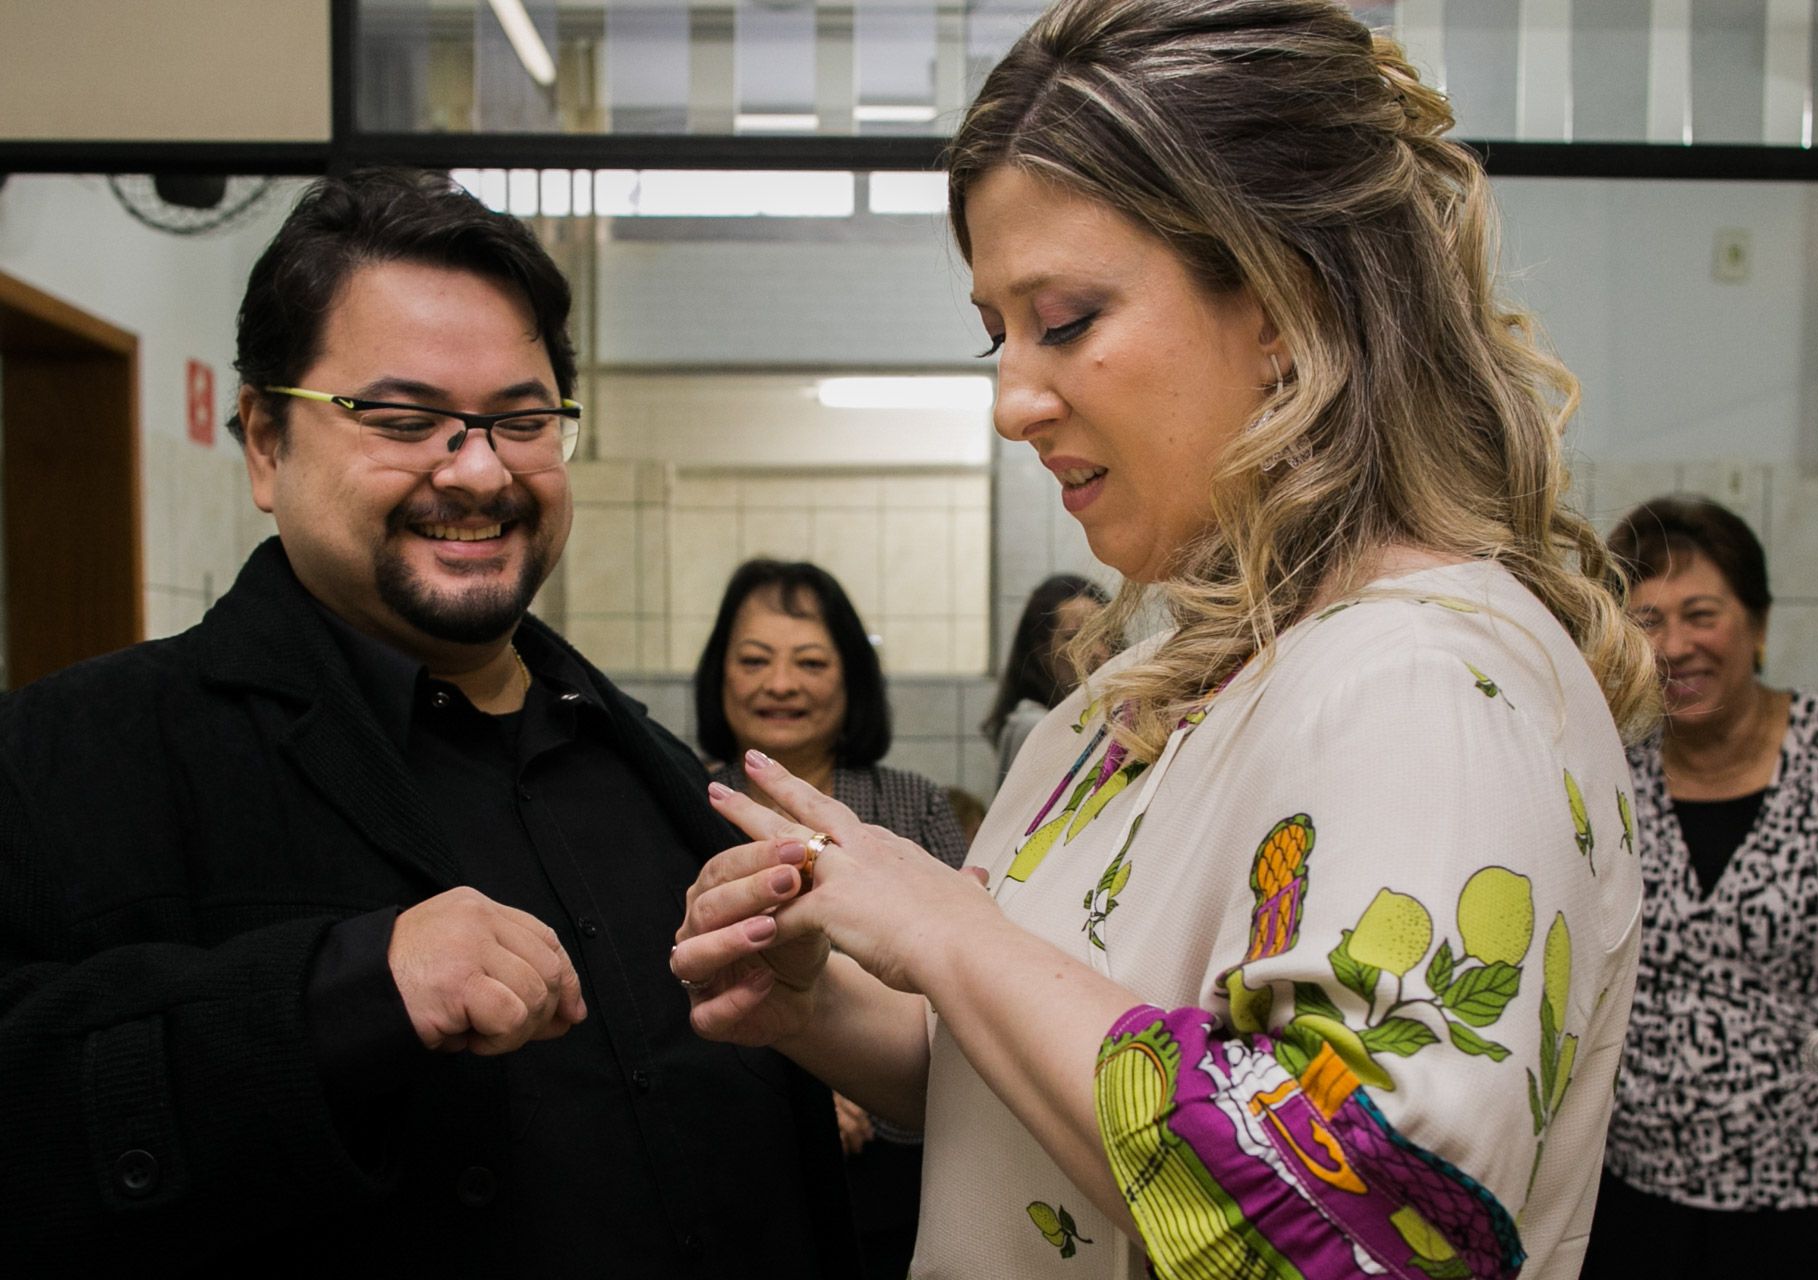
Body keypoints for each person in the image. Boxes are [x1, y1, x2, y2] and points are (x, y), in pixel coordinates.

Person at [672, 3, 1660, 1278]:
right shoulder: (1133, 700)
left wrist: (942, 929)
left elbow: (1360, 1231)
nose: (1013, 401)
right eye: (998, 333)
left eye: (1066, 317)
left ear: (1287, 299)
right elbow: (1023, 1082)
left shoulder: (1425, 683)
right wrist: (826, 1006)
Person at [0, 169, 855, 1273]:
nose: (480, 469)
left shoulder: (644, 765)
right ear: (265, 440)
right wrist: (335, 995)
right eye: (404, 419)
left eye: (522, 419)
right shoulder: (73, 757)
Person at [1581, 495, 1818, 1279]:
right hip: (1636, 1205)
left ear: (1758, 625)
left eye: (1702, 613)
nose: (1676, 645)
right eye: (1648, 620)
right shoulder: (1605, 784)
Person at [693, 557, 967, 1279]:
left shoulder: (914, 805)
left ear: (850, 679)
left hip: (893, 1165)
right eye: (754, 659)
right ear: (720, 673)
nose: (779, 683)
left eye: (810, 661)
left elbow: (958, 979)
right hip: (725, 1159)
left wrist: (852, 1081)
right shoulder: (682, 801)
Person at [983, 573, 1110, 786]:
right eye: (1075, 638)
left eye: (1104, 635)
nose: (1097, 650)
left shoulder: (1105, 717)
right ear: (1040, 650)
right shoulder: (1033, 726)